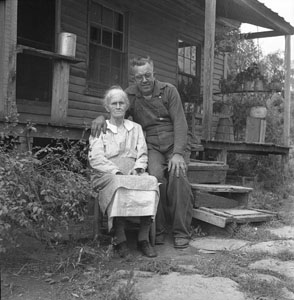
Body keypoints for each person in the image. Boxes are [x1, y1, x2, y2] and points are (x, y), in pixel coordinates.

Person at [91, 56, 194, 249]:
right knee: (154, 178)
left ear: (153, 73)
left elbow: (180, 122)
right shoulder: (130, 94)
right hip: (152, 145)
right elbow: (115, 107)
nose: (144, 80)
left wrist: (178, 153)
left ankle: (181, 231)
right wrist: (100, 118)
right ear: (134, 78)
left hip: (174, 143)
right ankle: (160, 229)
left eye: (147, 75)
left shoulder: (168, 91)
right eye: (139, 77)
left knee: (177, 175)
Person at [88, 86, 159, 258]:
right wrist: (116, 171)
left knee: (151, 182)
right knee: (119, 184)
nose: (118, 106)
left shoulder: (135, 128)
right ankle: (120, 239)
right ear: (107, 107)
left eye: (121, 103)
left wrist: (138, 169)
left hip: (132, 172)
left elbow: (142, 154)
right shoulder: (101, 128)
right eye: (114, 103)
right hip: (106, 173)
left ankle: (143, 238)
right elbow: (96, 158)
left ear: (127, 106)